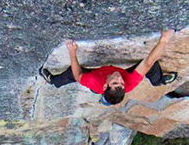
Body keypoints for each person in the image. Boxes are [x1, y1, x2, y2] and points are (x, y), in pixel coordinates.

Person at [41, 30, 178, 105]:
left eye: (115, 82)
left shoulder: (93, 81)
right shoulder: (128, 82)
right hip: (111, 77)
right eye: (120, 83)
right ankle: (159, 81)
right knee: (151, 66)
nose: (119, 78)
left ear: (106, 86)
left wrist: (72, 52)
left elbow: (77, 75)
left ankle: (53, 80)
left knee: (72, 73)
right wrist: (164, 40)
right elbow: (148, 62)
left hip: (100, 76)